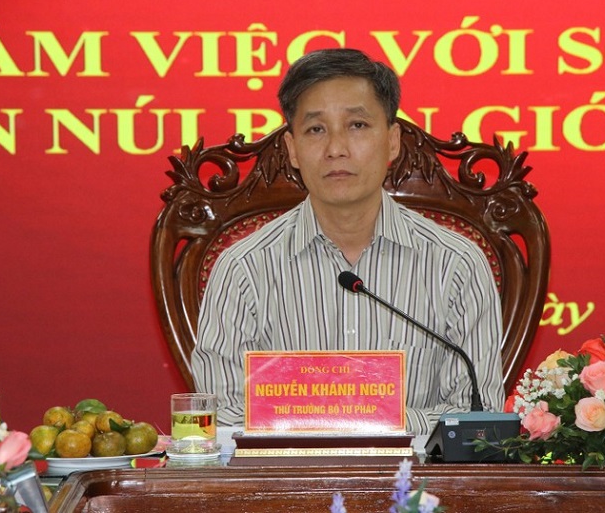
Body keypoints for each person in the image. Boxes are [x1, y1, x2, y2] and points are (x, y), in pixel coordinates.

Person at [191, 48, 504, 434]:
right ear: (292, 150)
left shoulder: (456, 264)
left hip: (413, 475)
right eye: (316, 129)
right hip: (286, 474)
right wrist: (367, 420)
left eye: (357, 125)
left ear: (393, 141)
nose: (336, 148)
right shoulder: (242, 269)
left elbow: (477, 416)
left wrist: (352, 420)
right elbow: (221, 418)